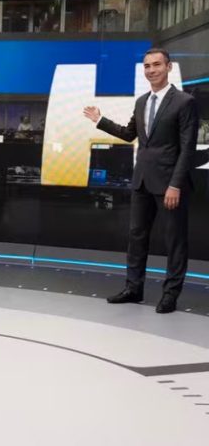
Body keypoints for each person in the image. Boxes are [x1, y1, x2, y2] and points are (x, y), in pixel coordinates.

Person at [83, 48, 198, 313]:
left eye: (157, 64)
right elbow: (128, 134)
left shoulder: (184, 102)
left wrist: (175, 185)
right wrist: (100, 120)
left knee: (174, 241)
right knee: (136, 237)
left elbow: (187, 149)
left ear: (168, 67)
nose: (151, 70)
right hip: (142, 181)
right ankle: (133, 289)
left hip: (170, 184)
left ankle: (170, 294)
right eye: (147, 66)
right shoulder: (142, 101)